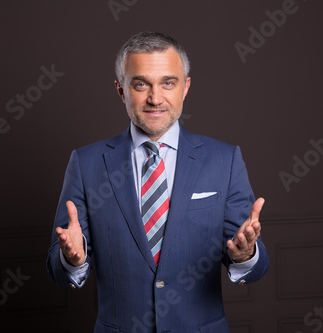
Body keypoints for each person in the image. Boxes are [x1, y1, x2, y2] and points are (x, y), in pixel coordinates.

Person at [46, 31, 269, 333]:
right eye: (141, 84)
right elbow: (58, 271)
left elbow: (253, 267)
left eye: (168, 82)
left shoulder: (224, 160)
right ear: (121, 90)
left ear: (185, 88)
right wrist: (73, 260)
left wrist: (245, 256)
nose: (155, 98)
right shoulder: (86, 164)